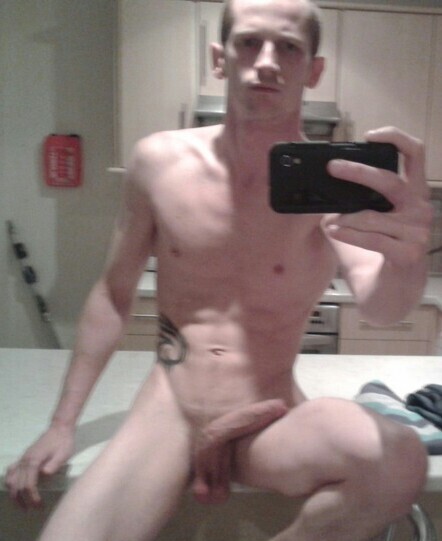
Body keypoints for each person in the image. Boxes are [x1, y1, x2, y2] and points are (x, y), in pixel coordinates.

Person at [6, 0, 432, 539]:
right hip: (169, 410)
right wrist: (62, 424)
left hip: (269, 419)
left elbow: (382, 306)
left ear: (313, 70)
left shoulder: (332, 183)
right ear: (219, 57)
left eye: (289, 47)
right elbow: (112, 296)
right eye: (250, 42)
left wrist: (406, 260)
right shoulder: (158, 163)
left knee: (399, 461)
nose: (267, 60)